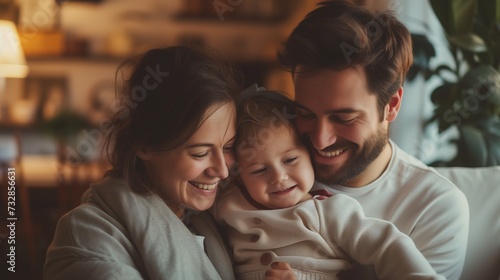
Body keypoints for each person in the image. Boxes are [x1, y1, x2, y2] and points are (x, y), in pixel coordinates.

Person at [277, 1, 469, 279]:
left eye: (343, 118)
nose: (320, 140)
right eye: (305, 114)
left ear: (391, 105)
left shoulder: (434, 207)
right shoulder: (270, 171)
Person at [44, 46, 243, 280]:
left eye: (228, 147)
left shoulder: (224, 221)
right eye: (200, 153)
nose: (222, 170)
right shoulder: (87, 235)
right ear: (145, 144)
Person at [212, 88, 444, 280]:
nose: (279, 177)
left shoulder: (328, 211)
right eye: (259, 170)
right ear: (238, 175)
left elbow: (386, 244)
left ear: (310, 154)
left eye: (291, 160)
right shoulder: (229, 201)